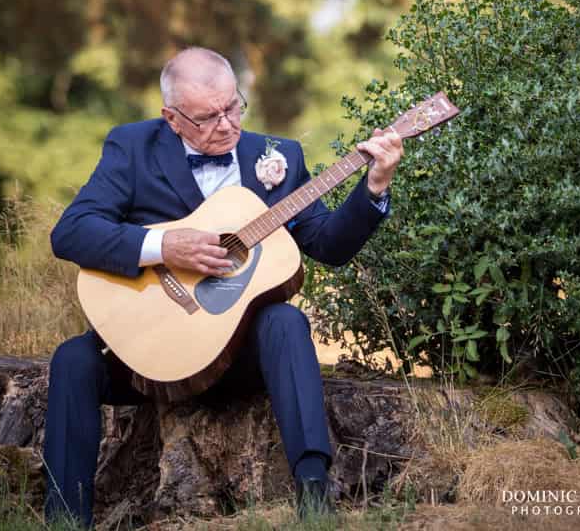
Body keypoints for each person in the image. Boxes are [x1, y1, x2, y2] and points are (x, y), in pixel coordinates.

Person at [44, 47, 403, 525]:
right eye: (208, 117)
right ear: (171, 118)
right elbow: (70, 233)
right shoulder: (132, 148)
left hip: (237, 355)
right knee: (73, 358)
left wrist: (374, 186)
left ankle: (315, 496)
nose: (228, 124)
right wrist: (164, 246)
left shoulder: (280, 157)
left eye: (234, 107)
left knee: (285, 320)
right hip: (149, 357)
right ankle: (65, 517)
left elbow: (328, 245)